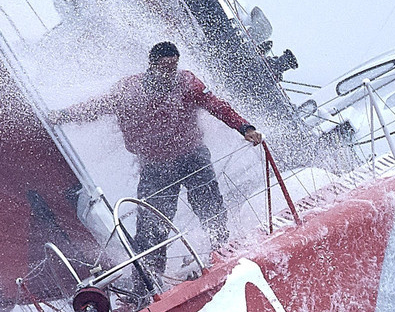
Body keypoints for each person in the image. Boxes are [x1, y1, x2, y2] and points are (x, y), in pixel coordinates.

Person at [53, 42, 262, 287]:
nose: (169, 73)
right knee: (151, 227)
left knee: (210, 207)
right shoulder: (128, 90)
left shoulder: (187, 83)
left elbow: (217, 106)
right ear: (151, 66)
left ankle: (224, 251)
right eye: (164, 67)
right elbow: (96, 107)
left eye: (174, 66)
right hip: (156, 167)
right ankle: (148, 285)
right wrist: (63, 115)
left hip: (192, 156)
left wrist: (244, 128)